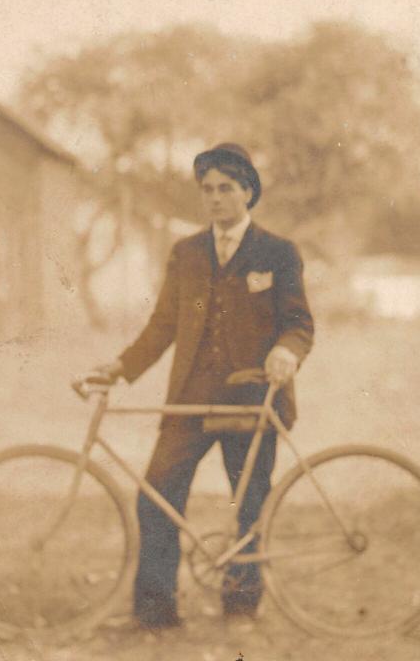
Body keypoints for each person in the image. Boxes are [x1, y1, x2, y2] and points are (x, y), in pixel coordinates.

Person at [80, 143, 314, 630]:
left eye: (225, 188)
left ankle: (242, 607)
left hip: (252, 399)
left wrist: (286, 352)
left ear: (248, 191)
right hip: (190, 400)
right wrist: (120, 368)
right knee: (156, 496)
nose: (214, 199)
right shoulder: (185, 253)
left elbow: (298, 322)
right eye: (206, 190)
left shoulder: (278, 252)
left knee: (250, 504)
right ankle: (155, 612)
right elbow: (163, 325)